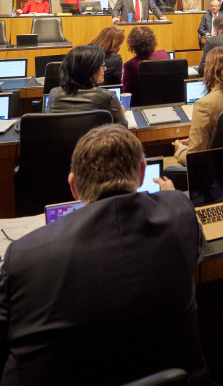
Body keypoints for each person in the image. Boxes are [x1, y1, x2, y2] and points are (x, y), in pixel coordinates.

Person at [0, 124, 211, 386]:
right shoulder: (179, 211)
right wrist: (173, 198)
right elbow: (197, 242)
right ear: (142, 172)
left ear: (73, 186)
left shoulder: (23, 256)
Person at [171, 47, 223, 166]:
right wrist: (194, 140)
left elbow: (195, 158)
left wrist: (180, 150)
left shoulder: (204, 105)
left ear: (210, 71)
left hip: (214, 169)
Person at [48, 45, 127, 126]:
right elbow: (123, 128)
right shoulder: (108, 96)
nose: (105, 68)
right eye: (102, 64)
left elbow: (49, 126)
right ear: (89, 69)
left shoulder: (54, 93)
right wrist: (120, 113)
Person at [122, 26, 169, 94]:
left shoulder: (130, 65)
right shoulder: (163, 54)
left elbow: (126, 92)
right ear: (152, 41)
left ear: (132, 45)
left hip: (140, 100)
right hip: (166, 98)